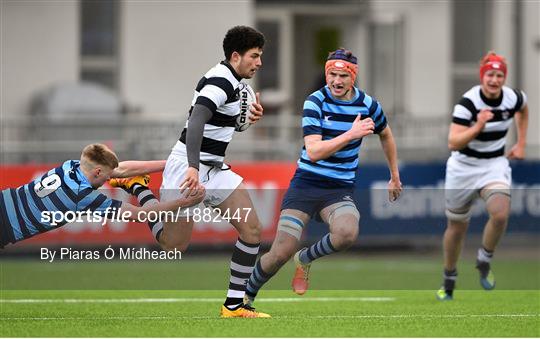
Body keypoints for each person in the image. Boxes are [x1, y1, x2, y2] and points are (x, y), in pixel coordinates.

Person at [243, 48, 403, 313]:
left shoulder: (369, 105)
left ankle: (305, 259)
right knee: (279, 252)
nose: (337, 81)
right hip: (306, 184)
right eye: (332, 74)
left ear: (353, 78)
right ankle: (244, 297)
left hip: (338, 190)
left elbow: (386, 134)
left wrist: (394, 175)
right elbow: (314, 152)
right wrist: (351, 134)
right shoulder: (314, 102)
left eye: (343, 75)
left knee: (346, 234)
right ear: (326, 74)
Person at [158, 26, 269, 318]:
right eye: (254, 56)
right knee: (174, 246)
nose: (259, 63)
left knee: (252, 229)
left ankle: (233, 305)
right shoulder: (220, 81)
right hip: (188, 165)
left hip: (215, 169)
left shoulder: (237, 84)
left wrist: (248, 120)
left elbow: (225, 122)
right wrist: (193, 169)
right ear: (236, 56)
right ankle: (138, 189)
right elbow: (195, 121)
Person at [436, 52, 529, 301]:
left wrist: (521, 143)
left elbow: (523, 108)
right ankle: (449, 278)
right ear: (482, 76)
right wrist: (478, 125)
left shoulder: (512, 97)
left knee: (500, 213)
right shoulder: (467, 104)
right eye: (490, 74)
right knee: (456, 228)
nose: (494, 80)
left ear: (504, 78)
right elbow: (453, 142)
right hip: (463, 167)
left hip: (494, 165)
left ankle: (484, 259)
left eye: (499, 75)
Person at [0, 143, 204, 248]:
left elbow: (120, 170)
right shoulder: (83, 195)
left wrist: (172, 165)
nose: (109, 180)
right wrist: (185, 201)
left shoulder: (70, 166)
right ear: (97, 172)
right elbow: (141, 214)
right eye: (106, 177)